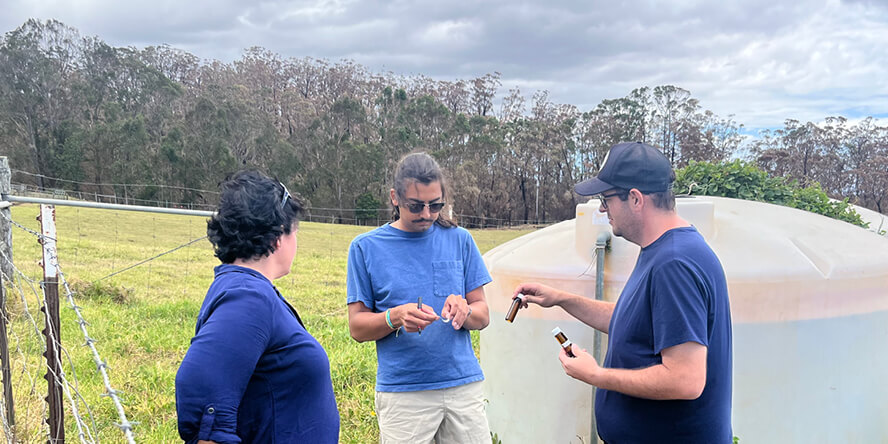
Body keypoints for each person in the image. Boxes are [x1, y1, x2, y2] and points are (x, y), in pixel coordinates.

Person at [515, 141, 732, 443]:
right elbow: (636, 322)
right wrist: (561, 299)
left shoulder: (674, 263)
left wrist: (595, 375)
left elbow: (686, 380)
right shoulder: (663, 250)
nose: (603, 209)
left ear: (635, 198)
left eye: (606, 198)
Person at [176, 170, 339, 444]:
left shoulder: (243, 287)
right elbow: (200, 389)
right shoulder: (249, 297)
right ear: (278, 236)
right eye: (295, 231)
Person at [346, 152, 492, 444]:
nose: (427, 214)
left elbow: (483, 315)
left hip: (462, 386)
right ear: (394, 198)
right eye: (416, 205)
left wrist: (466, 312)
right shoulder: (365, 248)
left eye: (436, 205)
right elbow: (357, 328)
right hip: (403, 393)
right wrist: (394, 317)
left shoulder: (460, 239)